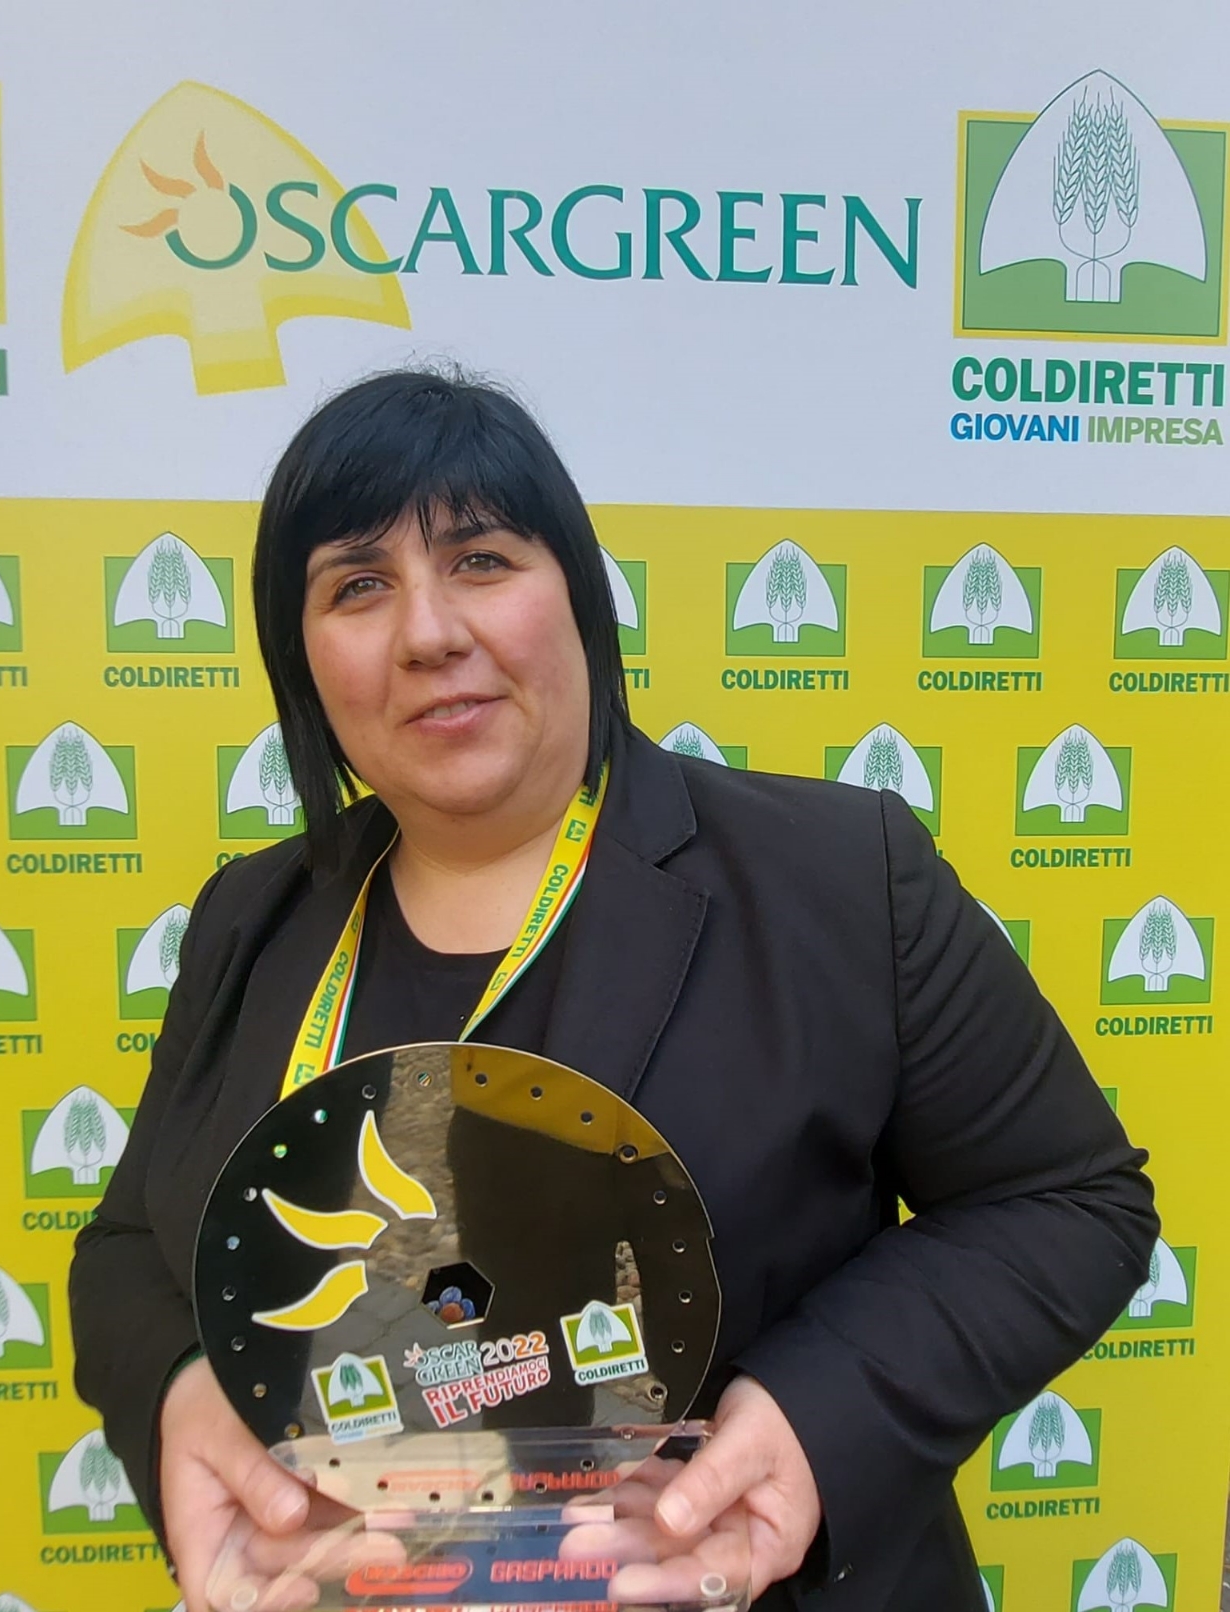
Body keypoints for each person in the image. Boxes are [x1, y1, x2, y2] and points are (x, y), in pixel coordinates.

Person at [69, 368, 1157, 1611]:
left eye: (480, 559)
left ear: (579, 597)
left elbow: (1065, 1199)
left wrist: (812, 1418)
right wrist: (180, 1390)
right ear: (299, 656)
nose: (427, 632)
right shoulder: (251, 921)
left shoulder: (841, 879)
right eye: (357, 585)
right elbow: (129, 1249)